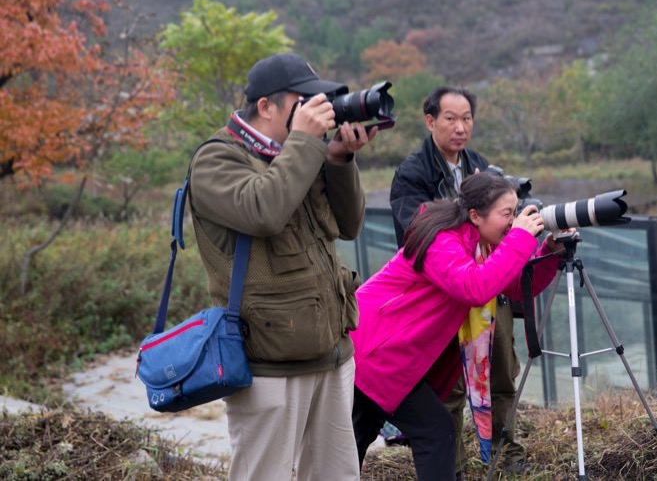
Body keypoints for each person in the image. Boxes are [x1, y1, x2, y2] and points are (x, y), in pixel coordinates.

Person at [187, 53, 377, 481]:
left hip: (330, 350)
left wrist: (340, 160)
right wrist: (307, 144)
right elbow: (263, 211)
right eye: (303, 100)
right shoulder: (216, 160)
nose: (316, 107)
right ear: (267, 106)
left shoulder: (297, 153)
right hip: (269, 362)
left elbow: (348, 225)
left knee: (338, 475)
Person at [352, 172, 566, 480]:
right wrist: (519, 237)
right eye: (507, 213)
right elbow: (474, 287)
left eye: (515, 212)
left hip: (385, 354)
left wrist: (550, 252)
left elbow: (517, 287)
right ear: (476, 215)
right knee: (435, 430)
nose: (513, 220)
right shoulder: (444, 241)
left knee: (359, 434)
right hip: (376, 352)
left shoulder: (479, 243)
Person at [389, 86, 531, 475]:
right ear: (430, 120)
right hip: (447, 292)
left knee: (502, 371)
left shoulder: (479, 165)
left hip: (490, 287)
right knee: (449, 385)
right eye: (450, 118)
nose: (460, 127)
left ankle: (506, 455)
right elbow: (415, 233)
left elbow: (500, 221)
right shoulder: (413, 172)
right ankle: (451, 465)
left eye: (467, 117)